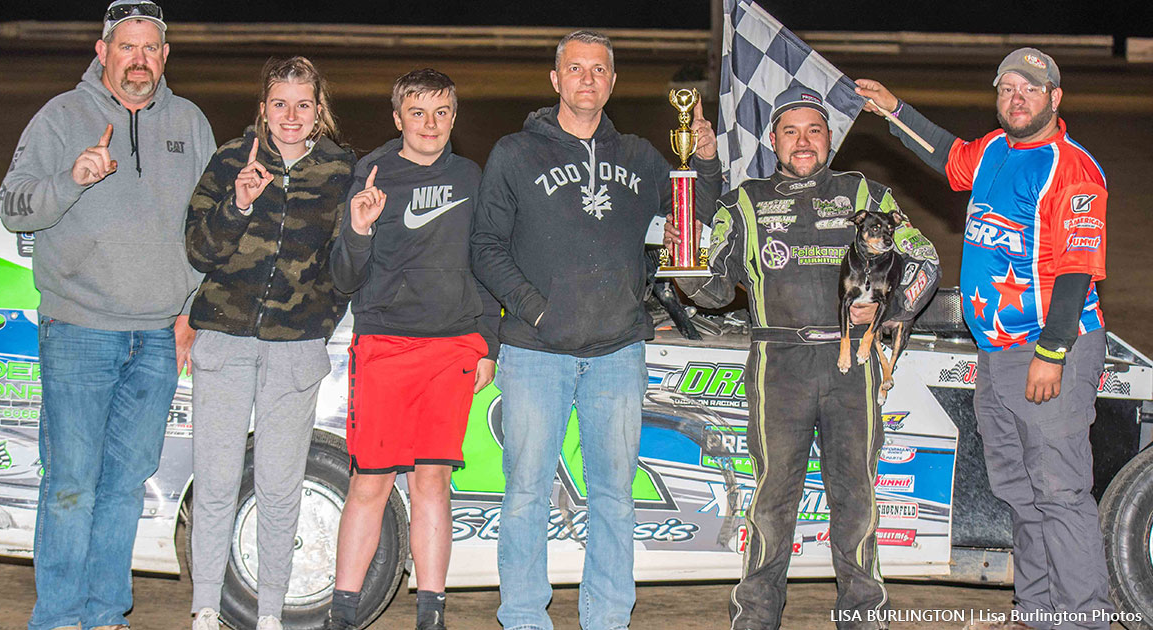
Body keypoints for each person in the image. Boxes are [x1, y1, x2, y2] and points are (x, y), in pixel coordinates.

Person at [470, 30, 721, 630]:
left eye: (599, 69)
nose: (588, 79)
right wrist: (535, 310)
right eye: (576, 68)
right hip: (536, 351)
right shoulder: (514, 153)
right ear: (555, 79)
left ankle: (608, 618)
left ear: (613, 81)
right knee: (526, 493)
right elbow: (485, 247)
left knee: (614, 495)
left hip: (617, 352)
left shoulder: (640, 155)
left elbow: (695, 218)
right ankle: (523, 617)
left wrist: (706, 161)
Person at [856, 48, 1112, 630]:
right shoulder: (995, 149)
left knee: (1060, 491)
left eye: (1030, 89)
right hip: (996, 353)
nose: (1017, 99)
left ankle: (1085, 619)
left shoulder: (1071, 167)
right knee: (1020, 490)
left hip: (1048, 349)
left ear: (1054, 98)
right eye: (1007, 89)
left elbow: (1077, 270)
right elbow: (948, 156)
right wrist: (895, 110)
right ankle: (1038, 613)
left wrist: (1052, 352)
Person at [669, 86, 940, 630]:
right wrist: (685, 264)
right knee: (771, 501)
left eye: (814, 130)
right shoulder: (743, 202)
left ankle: (864, 618)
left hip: (851, 365)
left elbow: (925, 260)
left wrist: (890, 314)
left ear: (829, 138)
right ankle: (755, 617)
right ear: (773, 140)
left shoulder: (863, 192)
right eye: (790, 131)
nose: (803, 141)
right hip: (779, 365)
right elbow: (716, 292)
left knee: (856, 499)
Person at [0, 2, 215, 629]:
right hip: (80, 331)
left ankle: (105, 614)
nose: (138, 60)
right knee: (71, 483)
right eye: (126, 47)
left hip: (157, 338)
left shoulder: (190, 122)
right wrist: (72, 179)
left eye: (149, 48)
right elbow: (12, 206)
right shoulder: (61, 116)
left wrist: (191, 311)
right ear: (102, 52)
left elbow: (209, 228)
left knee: (124, 485)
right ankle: (59, 617)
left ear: (164, 56)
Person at [183, 57, 355, 630]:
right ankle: (206, 608)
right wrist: (238, 205)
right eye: (280, 103)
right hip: (224, 342)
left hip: (294, 351)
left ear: (319, 110)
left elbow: (347, 269)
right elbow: (199, 250)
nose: (291, 115)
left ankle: (271, 615)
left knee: (280, 488)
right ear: (263, 108)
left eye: (303, 104)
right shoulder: (232, 159)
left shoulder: (341, 170)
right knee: (215, 483)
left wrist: (315, 325)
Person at [326, 69, 499, 630]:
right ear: (397, 117)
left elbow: (483, 263)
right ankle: (342, 613)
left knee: (432, 483)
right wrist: (358, 229)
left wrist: (488, 343)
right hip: (385, 346)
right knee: (370, 482)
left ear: (454, 117)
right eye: (418, 113)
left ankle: (431, 613)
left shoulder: (470, 176)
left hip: (451, 350)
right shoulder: (372, 175)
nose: (430, 124)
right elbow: (344, 277)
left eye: (441, 112)